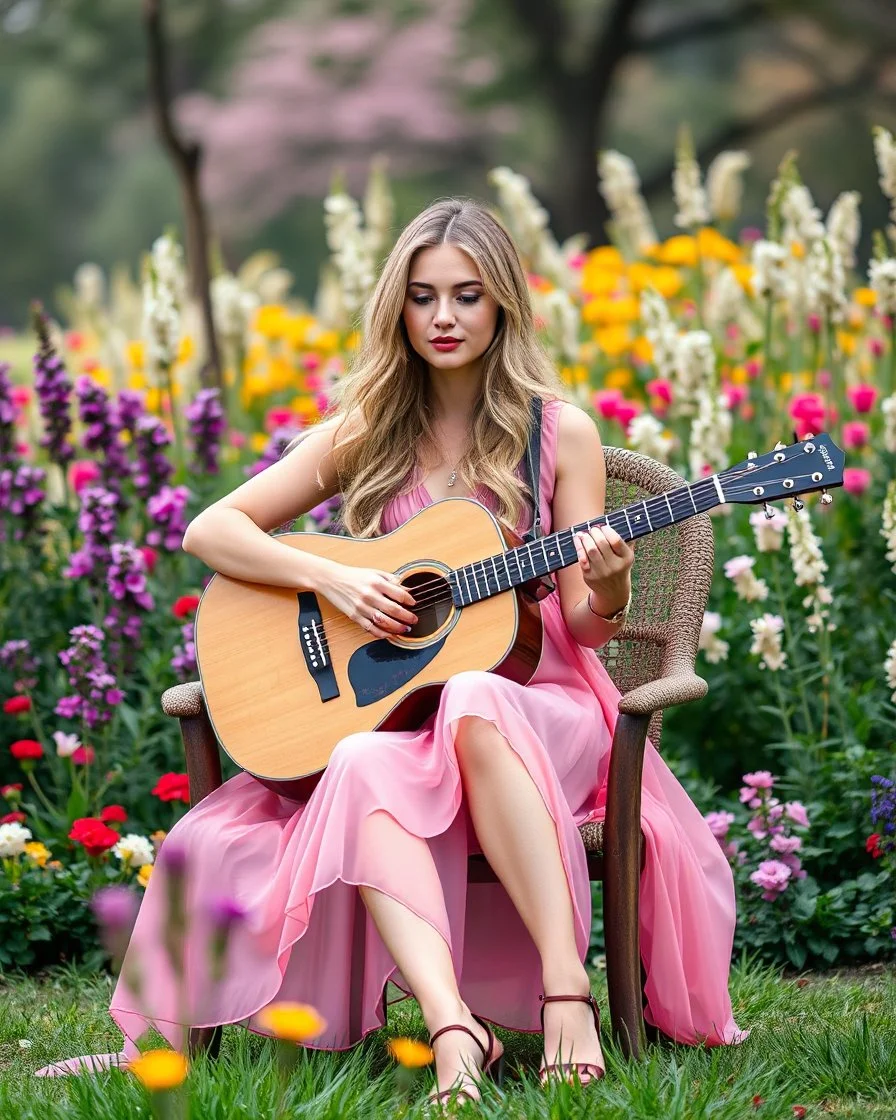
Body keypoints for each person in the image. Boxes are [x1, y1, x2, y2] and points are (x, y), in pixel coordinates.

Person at [37, 198, 745, 1100]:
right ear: (397, 309)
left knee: (476, 699)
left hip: (542, 712)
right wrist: (333, 582)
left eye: (466, 296)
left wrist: (608, 584)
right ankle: (454, 1030)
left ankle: (569, 996)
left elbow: (584, 624)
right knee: (367, 758)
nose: (443, 318)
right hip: (410, 723)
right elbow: (213, 531)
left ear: (503, 309)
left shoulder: (558, 434)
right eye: (422, 297)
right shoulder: (368, 430)